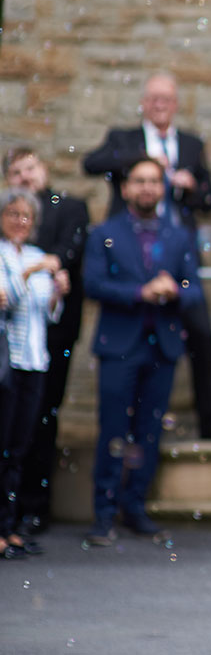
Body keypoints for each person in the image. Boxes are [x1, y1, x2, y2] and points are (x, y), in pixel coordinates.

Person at [82, 72, 211, 440]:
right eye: (154, 99)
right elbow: (91, 163)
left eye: (167, 99)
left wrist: (190, 186)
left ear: (176, 105)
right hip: (131, 252)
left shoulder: (192, 145)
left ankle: (210, 420)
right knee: (129, 330)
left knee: (201, 333)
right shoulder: (124, 139)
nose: (161, 105)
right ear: (144, 104)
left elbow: (210, 201)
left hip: (176, 253)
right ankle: (128, 428)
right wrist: (148, 162)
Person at [83, 157, 203, 545]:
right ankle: (103, 514)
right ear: (126, 188)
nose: (148, 187)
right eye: (140, 181)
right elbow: (93, 283)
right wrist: (140, 292)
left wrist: (175, 290)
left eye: (154, 180)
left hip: (162, 348)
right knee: (113, 430)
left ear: (162, 187)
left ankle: (135, 507)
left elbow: (195, 290)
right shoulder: (105, 232)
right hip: (119, 346)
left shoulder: (178, 234)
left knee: (148, 433)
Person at [4, 147, 89, 535]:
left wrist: (51, 269)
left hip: (50, 335)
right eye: (16, 171)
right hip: (11, 340)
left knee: (41, 418)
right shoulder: (11, 239)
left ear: (45, 168)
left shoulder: (69, 208)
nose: (24, 176)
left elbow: (69, 252)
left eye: (30, 167)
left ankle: (34, 509)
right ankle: (11, 511)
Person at [0, 188, 70, 559]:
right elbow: (4, 301)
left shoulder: (37, 255)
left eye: (26, 215)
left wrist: (58, 292)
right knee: (2, 445)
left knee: (21, 447)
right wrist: (28, 272)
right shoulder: (11, 257)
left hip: (34, 360)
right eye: (13, 213)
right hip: (6, 362)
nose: (20, 222)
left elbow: (48, 314)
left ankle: (9, 527)